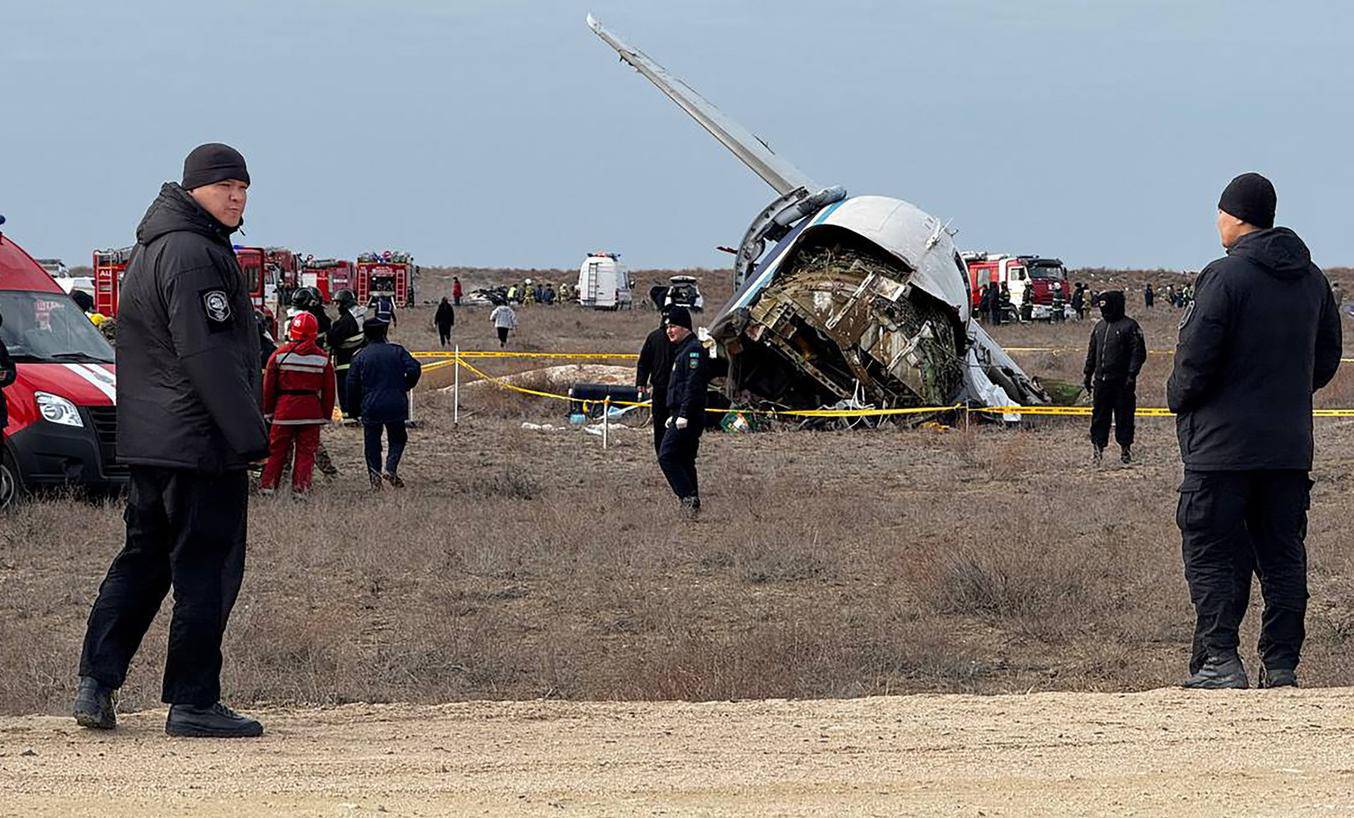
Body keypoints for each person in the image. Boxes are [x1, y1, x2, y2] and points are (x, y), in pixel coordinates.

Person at [75, 143, 268, 738]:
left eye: (244, 187)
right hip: (200, 444)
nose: (237, 197)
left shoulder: (154, 248)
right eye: (225, 186)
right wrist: (249, 437)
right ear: (194, 190)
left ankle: (95, 683)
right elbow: (205, 353)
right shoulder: (195, 254)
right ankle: (194, 701)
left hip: (153, 441)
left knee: (142, 561)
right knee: (205, 569)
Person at [1168, 172, 1341, 690]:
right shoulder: (1311, 279)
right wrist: (1283, 395)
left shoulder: (1225, 277)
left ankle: (1220, 660)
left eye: (1220, 211)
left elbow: (1195, 359)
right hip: (1287, 449)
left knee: (1214, 552)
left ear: (1236, 216)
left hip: (1221, 451)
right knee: (1283, 556)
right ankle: (1282, 665)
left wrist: (1180, 397)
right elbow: (1327, 358)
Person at [259, 311, 335, 497]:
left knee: (276, 451)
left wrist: (268, 412)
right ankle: (301, 490)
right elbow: (329, 392)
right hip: (311, 412)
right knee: (306, 452)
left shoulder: (278, 356)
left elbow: (268, 388)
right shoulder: (323, 359)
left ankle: (267, 487)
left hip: (284, 410)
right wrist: (325, 415)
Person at [347, 306, 421, 489]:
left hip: (371, 405)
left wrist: (352, 410)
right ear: (384, 332)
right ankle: (390, 467)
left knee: (372, 443)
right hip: (395, 403)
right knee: (398, 438)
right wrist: (405, 385)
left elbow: (351, 384)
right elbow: (414, 368)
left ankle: (375, 480)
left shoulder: (360, 356)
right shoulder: (397, 351)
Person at [1083, 290, 1146, 465]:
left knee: (1124, 416)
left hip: (1122, 383)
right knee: (1099, 416)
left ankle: (1125, 449)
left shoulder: (1130, 326)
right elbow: (1092, 352)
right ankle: (1097, 449)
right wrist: (1087, 374)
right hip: (1101, 382)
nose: (1104, 310)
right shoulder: (1099, 328)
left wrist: (1132, 375)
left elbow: (1138, 353)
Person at [657, 307, 708, 515]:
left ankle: (688, 497)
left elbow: (693, 386)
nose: (670, 331)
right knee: (685, 459)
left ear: (685, 327)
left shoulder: (693, 351)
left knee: (667, 455)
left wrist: (684, 414)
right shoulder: (682, 351)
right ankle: (692, 504)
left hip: (688, 414)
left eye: (673, 326)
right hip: (679, 413)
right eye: (667, 327)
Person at [635, 307, 677, 456]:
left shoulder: (681, 340)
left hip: (677, 389)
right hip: (659, 388)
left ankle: (673, 452)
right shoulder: (654, 337)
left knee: (675, 423)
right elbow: (644, 362)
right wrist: (641, 382)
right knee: (659, 423)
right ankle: (661, 453)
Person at [327, 289, 365, 422]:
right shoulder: (357, 317)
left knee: (345, 390)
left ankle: (349, 417)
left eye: (338, 303)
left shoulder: (346, 321)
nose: (336, 307)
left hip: (345, 361)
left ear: (344, 303)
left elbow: (333, 339)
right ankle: (358, 415)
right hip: (356, 360)